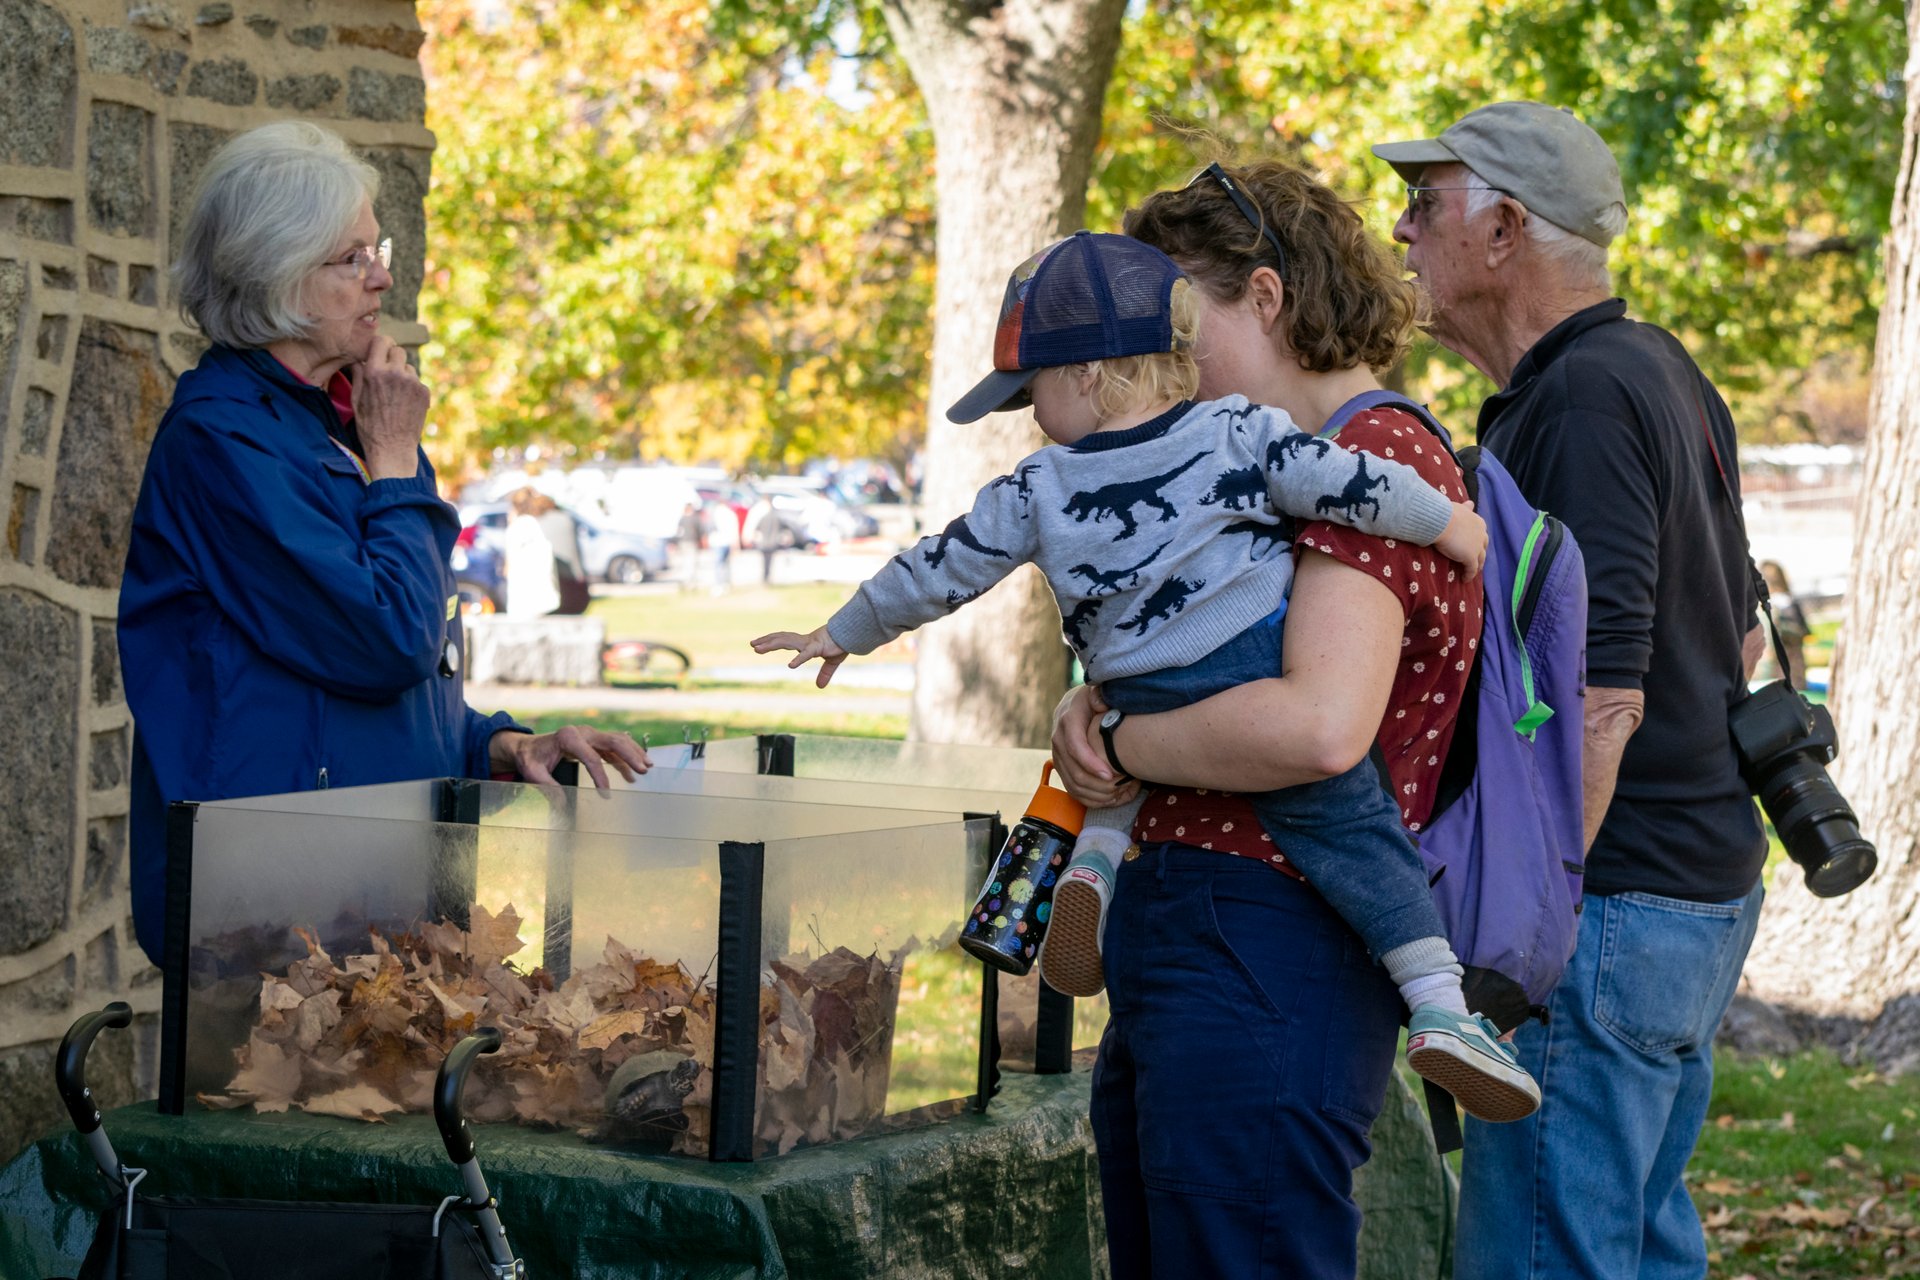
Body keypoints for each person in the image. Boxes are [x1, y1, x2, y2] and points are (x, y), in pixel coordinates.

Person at [753, 230, 1532, 1127]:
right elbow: (1350, 488)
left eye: (1032, 392)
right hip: (1241, 667)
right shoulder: (1237, 435)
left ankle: (1089, 872)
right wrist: (1450, 526)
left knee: (1110, 750)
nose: (1031, 418)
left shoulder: (1037, 486)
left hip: (1130, 684)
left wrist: (844, 630)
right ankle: (1439, 1006)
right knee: (1358, 830)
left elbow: (939, 566)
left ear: (1086, 376)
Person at [1374, 101, 1768, 1279]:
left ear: (1503, 228)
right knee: (1637, 1247)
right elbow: (1739, 640)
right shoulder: (1653, 371)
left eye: (1424, 203)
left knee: (1547, 1260)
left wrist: (1517, 954)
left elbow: (1604, 698)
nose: (1401, 233)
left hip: (1608, 910)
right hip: (1682, 892)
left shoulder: (1586, 398)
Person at [119, 121, 650, 966]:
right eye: (351, 259)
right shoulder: (222, 442)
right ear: (277, 276)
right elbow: (385, 640)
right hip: (278, 916)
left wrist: (501, 744)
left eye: (379, 248)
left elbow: (375, 687)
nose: (384, 277)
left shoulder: (344, 421)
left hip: (375, 903)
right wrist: (399, 464)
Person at [503, 486, 561, 617]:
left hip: (524, 593)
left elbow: (510, 562)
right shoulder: (534, 524)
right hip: (538, 593)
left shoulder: (518, 527)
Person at [1756, 560, 1810, 687]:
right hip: (1789, 658)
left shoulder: (1779, 603)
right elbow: (1803, 630)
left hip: (1782, 658)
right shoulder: (1787, 601)